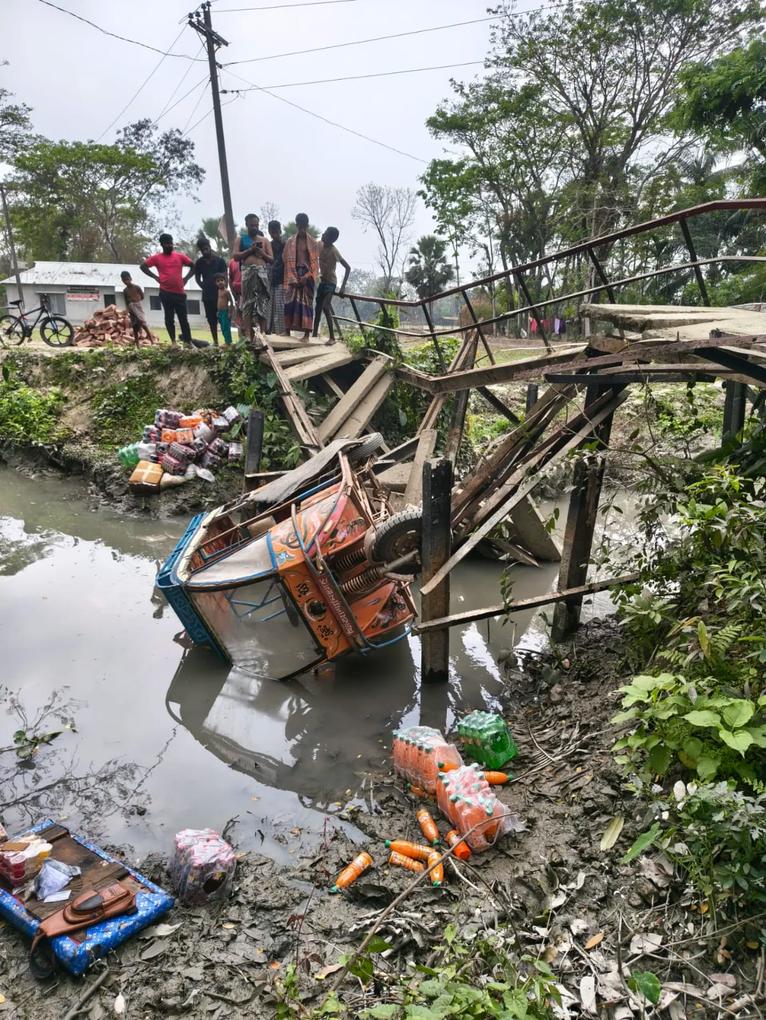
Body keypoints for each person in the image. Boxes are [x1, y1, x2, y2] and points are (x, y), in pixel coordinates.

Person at [140, 233, 194, 346]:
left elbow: (193, 266)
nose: (170, 245)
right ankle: (173, 342)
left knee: (183, 319)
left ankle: (188, 341)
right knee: (169, 319)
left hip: (180, 293)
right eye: (167, 243)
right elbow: (143, 266)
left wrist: (186, 278)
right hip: (166, 293)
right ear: (162, 244)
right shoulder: (157, 258)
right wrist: (155, 277)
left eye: (171, 243)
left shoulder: (180, 256)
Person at [232, 214, 273, 346]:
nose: (255, 227)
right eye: (252, 225)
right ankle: (249, 335)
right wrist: (250, 250)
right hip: (248, 273)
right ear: (247, 225)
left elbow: (272, 259)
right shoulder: (241, 239)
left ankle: (263, 334)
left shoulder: (264, 240)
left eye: (257, 225)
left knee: (262, 303)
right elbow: (235, 256)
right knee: (248, 304)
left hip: (262, 273)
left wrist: (261, 253)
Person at [283, 213, 319, 341]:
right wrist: (293, 275)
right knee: (289, 302)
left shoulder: (313, 243)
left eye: (304, 226)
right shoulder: (290, 242)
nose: (302, 228)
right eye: (300, 226)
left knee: (307, 305)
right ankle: (287, 332)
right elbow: (285, 259)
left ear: (307, 225)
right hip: (293, 273)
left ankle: (306, 335)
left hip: (307, 276)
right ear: (297, 225)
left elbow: (315, 264)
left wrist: (306, 276)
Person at [313, 227, 350, 345]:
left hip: (331, 283)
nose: (323, 235)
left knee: (325, 306)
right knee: (317, 308)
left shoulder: (334, 251)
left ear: (332, 240)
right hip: (322, 282)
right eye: (324, 233)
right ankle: (314, 335)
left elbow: (348, 268)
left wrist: (343, 287)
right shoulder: (320, 246)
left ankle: (332, 338)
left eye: (327, 235)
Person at [194, 238, 227, 346]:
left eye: (206, 248)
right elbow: (197, 278)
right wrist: (203, 286)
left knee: (223, 319)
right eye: (202, 250)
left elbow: (225, 276)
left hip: (220, 295)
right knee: (211, 320)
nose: (205, 251)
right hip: (207, 296)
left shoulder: (220, 260)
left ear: (210, 246)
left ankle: (227, 341)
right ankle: (216, 342)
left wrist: (222, 288)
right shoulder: (199, 263)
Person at [120, 271, 152, 345]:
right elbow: (126, 301)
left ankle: (152, 341)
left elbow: (142, 296)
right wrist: (128, 309)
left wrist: (136, 301)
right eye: (124, 280)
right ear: (122, 281)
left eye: (127, 279)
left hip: (138, 307)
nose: (126, 281)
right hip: (131, 309)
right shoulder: (125, 291)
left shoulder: (137, 287)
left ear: (131, 278)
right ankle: (137, 345)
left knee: (143, 324)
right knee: (135, 327)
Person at [268, 220, 286, 336]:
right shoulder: (268, 245)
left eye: (276, 231)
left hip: (281, 280)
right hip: (270, 280)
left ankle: (281, 334)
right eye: (272, 232)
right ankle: (270, 333)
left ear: (280, 231)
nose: (274, 234)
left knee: (280, 308)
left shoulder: (285, 244)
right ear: (269, 232)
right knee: (269, 309)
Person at [214, 273, 235, 346]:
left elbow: (232, 302)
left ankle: (229, 342)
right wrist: (217, 311)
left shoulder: (227, 291)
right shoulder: (218, 291)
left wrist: (230, 312)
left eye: (222, 280)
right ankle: (226, 341)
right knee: (222, 327)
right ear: (215, 283)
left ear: (225, 281)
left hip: (226, 312)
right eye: (218, 281)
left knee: (226, 327)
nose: (220, 282)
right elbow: (218, 301)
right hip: (220, 312)